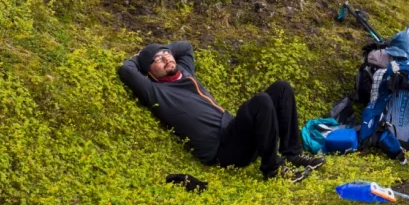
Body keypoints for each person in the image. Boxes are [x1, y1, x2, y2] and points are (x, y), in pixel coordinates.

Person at [117, 41, 324, 180]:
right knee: (261, 101)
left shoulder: (185, 71)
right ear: (148, 71)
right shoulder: (155, 91)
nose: (166, 58)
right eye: (157, 60)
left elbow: (185, 46)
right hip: (222, 150)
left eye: (166, 54)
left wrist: (160, 49)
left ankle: (292, 154)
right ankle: (273, 170)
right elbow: (126, 69)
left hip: (235, 132)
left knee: (281, 88)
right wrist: (140, 57)